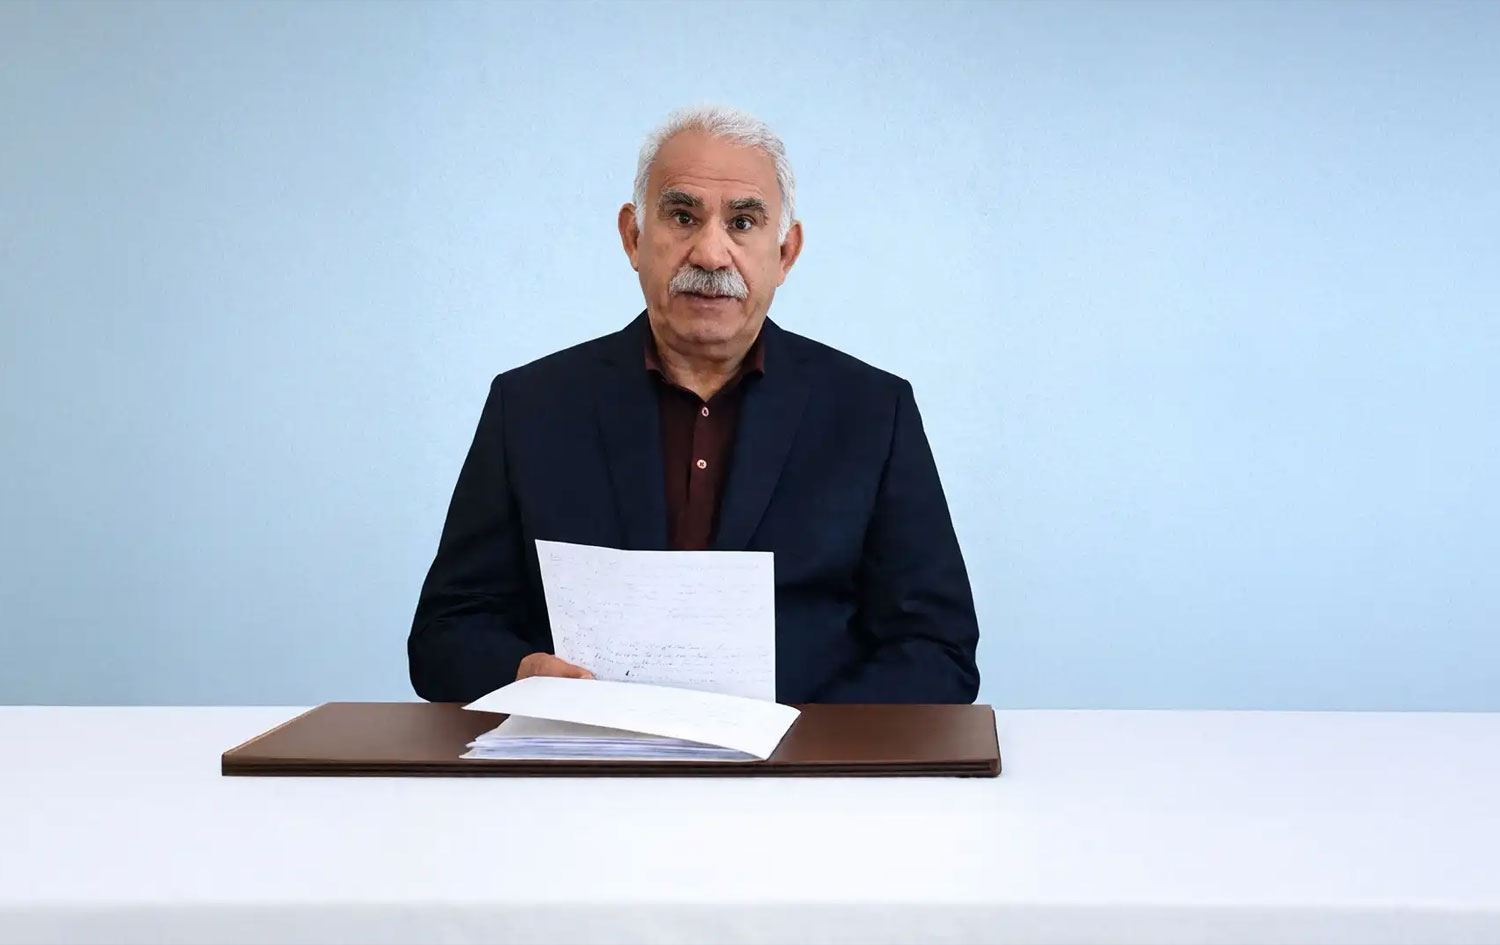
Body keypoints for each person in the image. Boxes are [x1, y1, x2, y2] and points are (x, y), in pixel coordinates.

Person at [409, 104, 980, 704]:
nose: (710, 254)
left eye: (743, 222)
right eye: (682, 217)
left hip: (803, 760)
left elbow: (937, 651)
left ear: (786, 252)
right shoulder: (529, 407)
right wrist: (522, 674)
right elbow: (446, 634)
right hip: (586, 753)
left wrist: (806, 736)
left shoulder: (874, 413)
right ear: (633, 237)